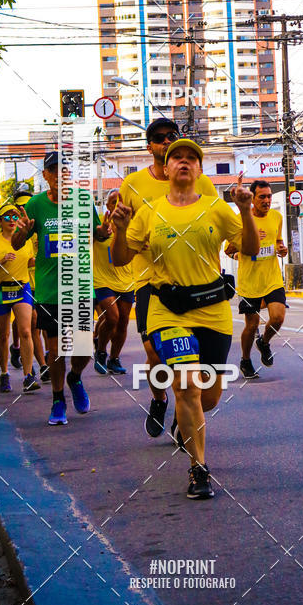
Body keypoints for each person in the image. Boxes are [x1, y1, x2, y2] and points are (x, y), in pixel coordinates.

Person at [111, 139, 259, 499]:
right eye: (176, 157)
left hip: (212, 311)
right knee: (187, 386)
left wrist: (245, 211)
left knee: (209, 397)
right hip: (168, 311)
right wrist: (120, 229)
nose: (183, 161)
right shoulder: (149, 212)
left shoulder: (215, 208)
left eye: (191, 158)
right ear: (166, 168)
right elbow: (120, 259)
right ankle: (199, 469)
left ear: (199, 170)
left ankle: (185, 419)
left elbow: (250, 249)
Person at [118, 118, 217, 438]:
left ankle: (182, 411)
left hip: (194, 283)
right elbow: (123, 229)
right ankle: (160, 399)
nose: (165, 141)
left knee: (192, 363)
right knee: (154, 351)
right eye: (159, 138)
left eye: (171, 136)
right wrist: (122, 229)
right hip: (149, 280)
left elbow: (215, 220)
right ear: (149, 147)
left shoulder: (200, 181)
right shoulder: (133, 184)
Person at [12, 152, 111, 425]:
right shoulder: (35, 205)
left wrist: (106, 231)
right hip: (50, 290)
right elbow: (17, 244)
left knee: (83, 348)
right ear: (45, 175)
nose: (59, 174)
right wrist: (22, 231)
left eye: (64, 170)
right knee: (55, 349)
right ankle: (58, 399)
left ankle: (75, 378)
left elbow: (98, 233)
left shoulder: (83, 200)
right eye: (53, 170)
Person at [225, 180, 288, 380]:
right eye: (262, 197)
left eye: (269, 196)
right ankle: (245, 359)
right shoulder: (240, 219)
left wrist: (282, 249)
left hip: (272, 278)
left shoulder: (277, 217)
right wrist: (248, 238)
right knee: (251, 325)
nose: (267, 200)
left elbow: (278, 242)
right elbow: (228, 249)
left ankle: (264, 342)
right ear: (252, 199)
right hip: (249, 281)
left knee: (278, 317)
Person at [0, 204, 36, 393]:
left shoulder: (26, 240)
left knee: (26, 331)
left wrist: (41, 260)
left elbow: (30, 261)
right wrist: (0, 262)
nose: (12, 220)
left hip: (21, 288)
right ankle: (4, 373)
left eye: (15, 217)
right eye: (7, 217)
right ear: (0, 221)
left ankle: (28, 376)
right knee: (3, 335)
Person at [92, 189, 134, 376]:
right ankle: (101, 351)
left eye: (120, 201)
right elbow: (92, 238)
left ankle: (114, 359)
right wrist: (100, 233)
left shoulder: (131, 224)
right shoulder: (101, 224)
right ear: (107, 205)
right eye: (113, 201)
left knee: (123, 322)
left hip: (126, 280)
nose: (117, 204)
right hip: (102, 279)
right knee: (112, 317)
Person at [11, 185, 50, 384]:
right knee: (31, 325)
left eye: (28, 207)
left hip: (43, 282)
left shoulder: (43, 226)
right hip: (24, 283)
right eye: (21, 208)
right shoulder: (14, 231)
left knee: (42, 325)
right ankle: (42, 365)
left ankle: (44, 359)